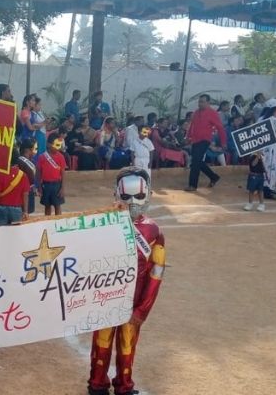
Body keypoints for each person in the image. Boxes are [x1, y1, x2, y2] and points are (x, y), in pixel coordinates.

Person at [87, 167, 165, 395]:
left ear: (148, 194)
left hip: (134, 302)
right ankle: (97, 384)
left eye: (138, 196)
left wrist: (143, 308)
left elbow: (156, 272)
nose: (132, 202)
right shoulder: (103, 224)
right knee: (102, 343)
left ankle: (124, 384)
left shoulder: (153, 231)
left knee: (127, 345)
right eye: (126, 196)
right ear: (116, 194)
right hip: (106, 300)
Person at [185, 94, 226, 191]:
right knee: (197, 161)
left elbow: (220, 128)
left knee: (195, 161)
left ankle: (192, 185)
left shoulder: (212, 113)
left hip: (205, 140)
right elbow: (192, 126)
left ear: (208, 102)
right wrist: (188, 137)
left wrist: (223, 142)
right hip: (195, 140)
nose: (200, 104)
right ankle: (213, 177)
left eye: (202, 102)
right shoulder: (196, 112)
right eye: (199, 101)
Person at [0, 150, 30, 227]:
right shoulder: (23, 175)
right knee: (15, 233)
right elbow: (25, 195)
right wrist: (25, 211)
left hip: (1, 209)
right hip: (17, 210)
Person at [37, 133, 67, 216]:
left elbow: (63, 173)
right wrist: (39, 186)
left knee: (57, 206)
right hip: (45, 185)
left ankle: (58, 221)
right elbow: (38, 173)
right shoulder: (42, 157)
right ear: (49, 144)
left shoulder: (61, 157)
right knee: (47, 206)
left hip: (57, 185)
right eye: (56, 145)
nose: (58, 147)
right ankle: (48, 222)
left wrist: (62, 188)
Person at [18, 138, 37, 214]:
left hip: (27, 191)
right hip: (25, 192)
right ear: (28, 150)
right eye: (35, 149)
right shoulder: (22, 162)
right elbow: (32, 179)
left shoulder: (27, 161)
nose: (36, 152)